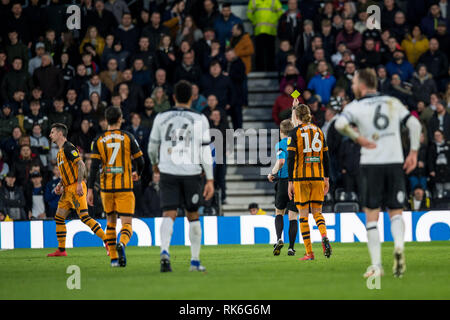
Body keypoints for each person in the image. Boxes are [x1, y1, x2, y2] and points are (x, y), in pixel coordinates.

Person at [334, 68, 422, 278]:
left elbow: (339, 124)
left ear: (363, 86)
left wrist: (358, 138)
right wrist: (414, 152)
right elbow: (415, 124)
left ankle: (377, 266)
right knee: (396, 211)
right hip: (394, 161)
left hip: (371, 162)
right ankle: (399, 247)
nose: (352, 87)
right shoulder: (393, 102)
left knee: (372, 215)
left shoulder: (356, 106)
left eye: (354, 83)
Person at [148, 80, 215, 273]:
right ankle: (194, 261)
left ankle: (164, 251)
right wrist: (209, 179)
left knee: (168, 213)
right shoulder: (200, 118)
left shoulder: (161, 117)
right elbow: (204, 151)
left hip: (168, 170)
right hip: (191, 172)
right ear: (192, 98)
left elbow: (152, 146)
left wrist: (155, 165)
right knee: (193, 215)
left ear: (174, 97)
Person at [87, 107, 145, 267]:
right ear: (120, 119)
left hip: (106, 189)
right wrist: (137, 173)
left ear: (106, 120)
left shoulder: (98, 140)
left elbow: (93, 167)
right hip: (125, 188)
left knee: (111, 223)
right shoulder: (127, 137)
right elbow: (141, 161)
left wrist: (90, 189)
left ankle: (113, 259)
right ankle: (122, 244)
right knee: (127, 225)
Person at [47, 123, 108, 257]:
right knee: (59, 218)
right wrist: (60, 185)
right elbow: (66, 172)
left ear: (60, 133)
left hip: (76, 187)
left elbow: (81, 164)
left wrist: (80, 183)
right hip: (67, 189)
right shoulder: (59, 153)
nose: (50, 135)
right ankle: (61, 250)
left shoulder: (69, 147)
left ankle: (107, 241)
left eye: (52, 132)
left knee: (85, 217)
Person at [287, 99, 332, 261]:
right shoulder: (319, 131)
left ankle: (309, 252)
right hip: (318, 177)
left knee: (303, 216)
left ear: (297, 117)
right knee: (318, 213)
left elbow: (291, 158)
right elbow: (326, 157)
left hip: (301, 179)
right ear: (310, 116)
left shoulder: (295, 133)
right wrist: (326, 178)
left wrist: (290, 182)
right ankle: (324, 236)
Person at [267, 119, 299, 256]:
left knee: (279, 212)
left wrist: (272, 173)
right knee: (293, 216)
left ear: (281, 132)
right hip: (296, 183)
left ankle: (279, 238)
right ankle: (291, 248)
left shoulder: (280, 144)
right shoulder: (297, 143)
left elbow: (281, 161)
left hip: (284, 182)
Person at [247, 0, 283, 71]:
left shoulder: (274, 1)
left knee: (271, 52)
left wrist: (273, 20)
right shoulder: (253, 1)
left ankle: (271, 69)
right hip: (259, 31)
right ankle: (260, 69)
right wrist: (255, 21)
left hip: (270, 31)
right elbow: (249, 13)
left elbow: (280, 13)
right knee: (259, 52)